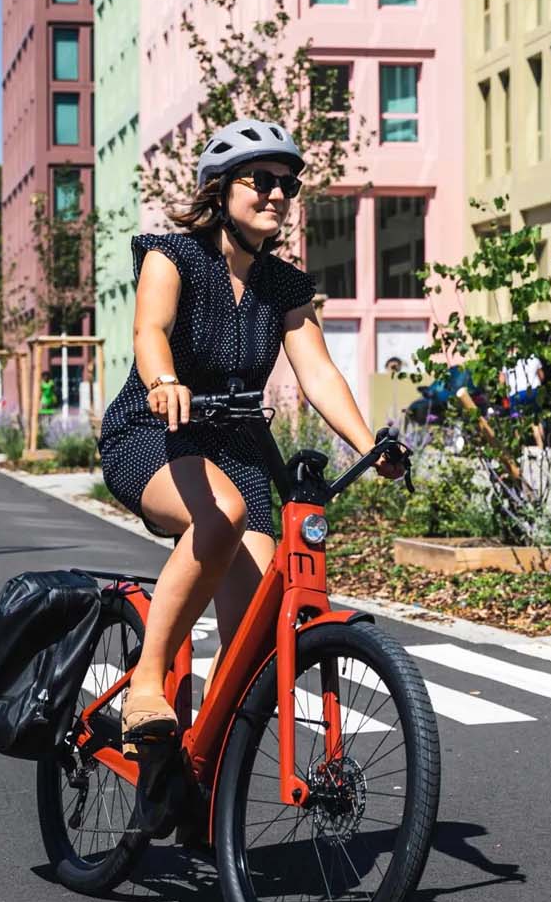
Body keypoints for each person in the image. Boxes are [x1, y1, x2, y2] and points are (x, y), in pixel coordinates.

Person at [97, 117, 407, 760]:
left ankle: (200, 771)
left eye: (287, 185)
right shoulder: (171, 255)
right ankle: (148, 683)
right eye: (259, 180)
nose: (276, 194)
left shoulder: (285, 285)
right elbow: (149, 331)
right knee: (220, 518)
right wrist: (163, 381)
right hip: (156, 432)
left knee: (262, 619)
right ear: (220, 190)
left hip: (236, 450)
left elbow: (317, 370)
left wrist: (368, 443)